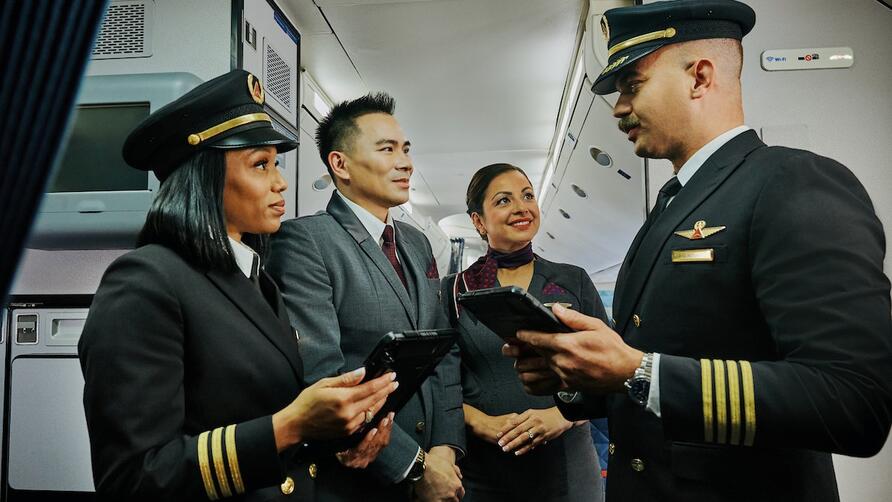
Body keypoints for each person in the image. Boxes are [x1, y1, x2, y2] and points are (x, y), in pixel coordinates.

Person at [504, 1, 892, 501]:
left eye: (632, 85)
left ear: (700, 77)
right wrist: (577, 375)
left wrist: (636, 371)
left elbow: (853, 402)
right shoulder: (673, 205)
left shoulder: (792, 183)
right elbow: (669, 360)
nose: (619, 108)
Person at [78, 70, 399, 502]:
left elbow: (268, 408)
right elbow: (134, 477)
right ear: (205, 176)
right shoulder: (145, 280)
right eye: (260, 164)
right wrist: (292, 426)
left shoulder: (255, 279)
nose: (280, 181)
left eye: (276, 163)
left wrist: (342, 433)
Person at [266, 93, 465, 501]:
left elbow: (443, 348)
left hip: (436, 462)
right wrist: (415, 467)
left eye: (406, 149)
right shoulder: (305, 242)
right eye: (387, 149)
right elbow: (323, 370)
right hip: (361, 476)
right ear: (340, 164)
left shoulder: (415, 242)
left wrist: (445, 449)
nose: (406, 162)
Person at [442, 163, 605, 501]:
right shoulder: (455, 290)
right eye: (503, 200)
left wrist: (561, 415)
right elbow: (440, 380)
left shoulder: (572, 280)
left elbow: (607, 368)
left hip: (567, 464)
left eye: (527, 196)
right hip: (485, 471)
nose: (521, 207)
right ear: (478, 221)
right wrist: (479, 422)